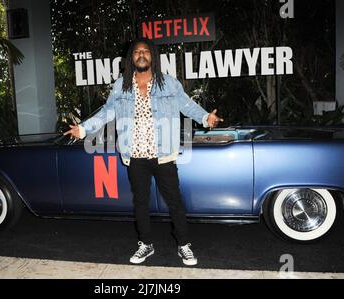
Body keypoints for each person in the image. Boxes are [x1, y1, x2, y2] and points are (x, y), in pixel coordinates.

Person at [64, 38, 224, 266]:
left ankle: (184, 245)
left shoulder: (168, 83)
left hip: (164, 154)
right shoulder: (121, 86)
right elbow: (107, 112)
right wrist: (82, 129)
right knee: (140, 202)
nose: (141, 54)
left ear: (152, 56)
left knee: (175, 202)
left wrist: (206, 118)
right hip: (135, 155)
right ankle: (146, 244)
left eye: (145, 51)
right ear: (131, 58)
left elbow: (186, 105)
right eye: (137, 51)